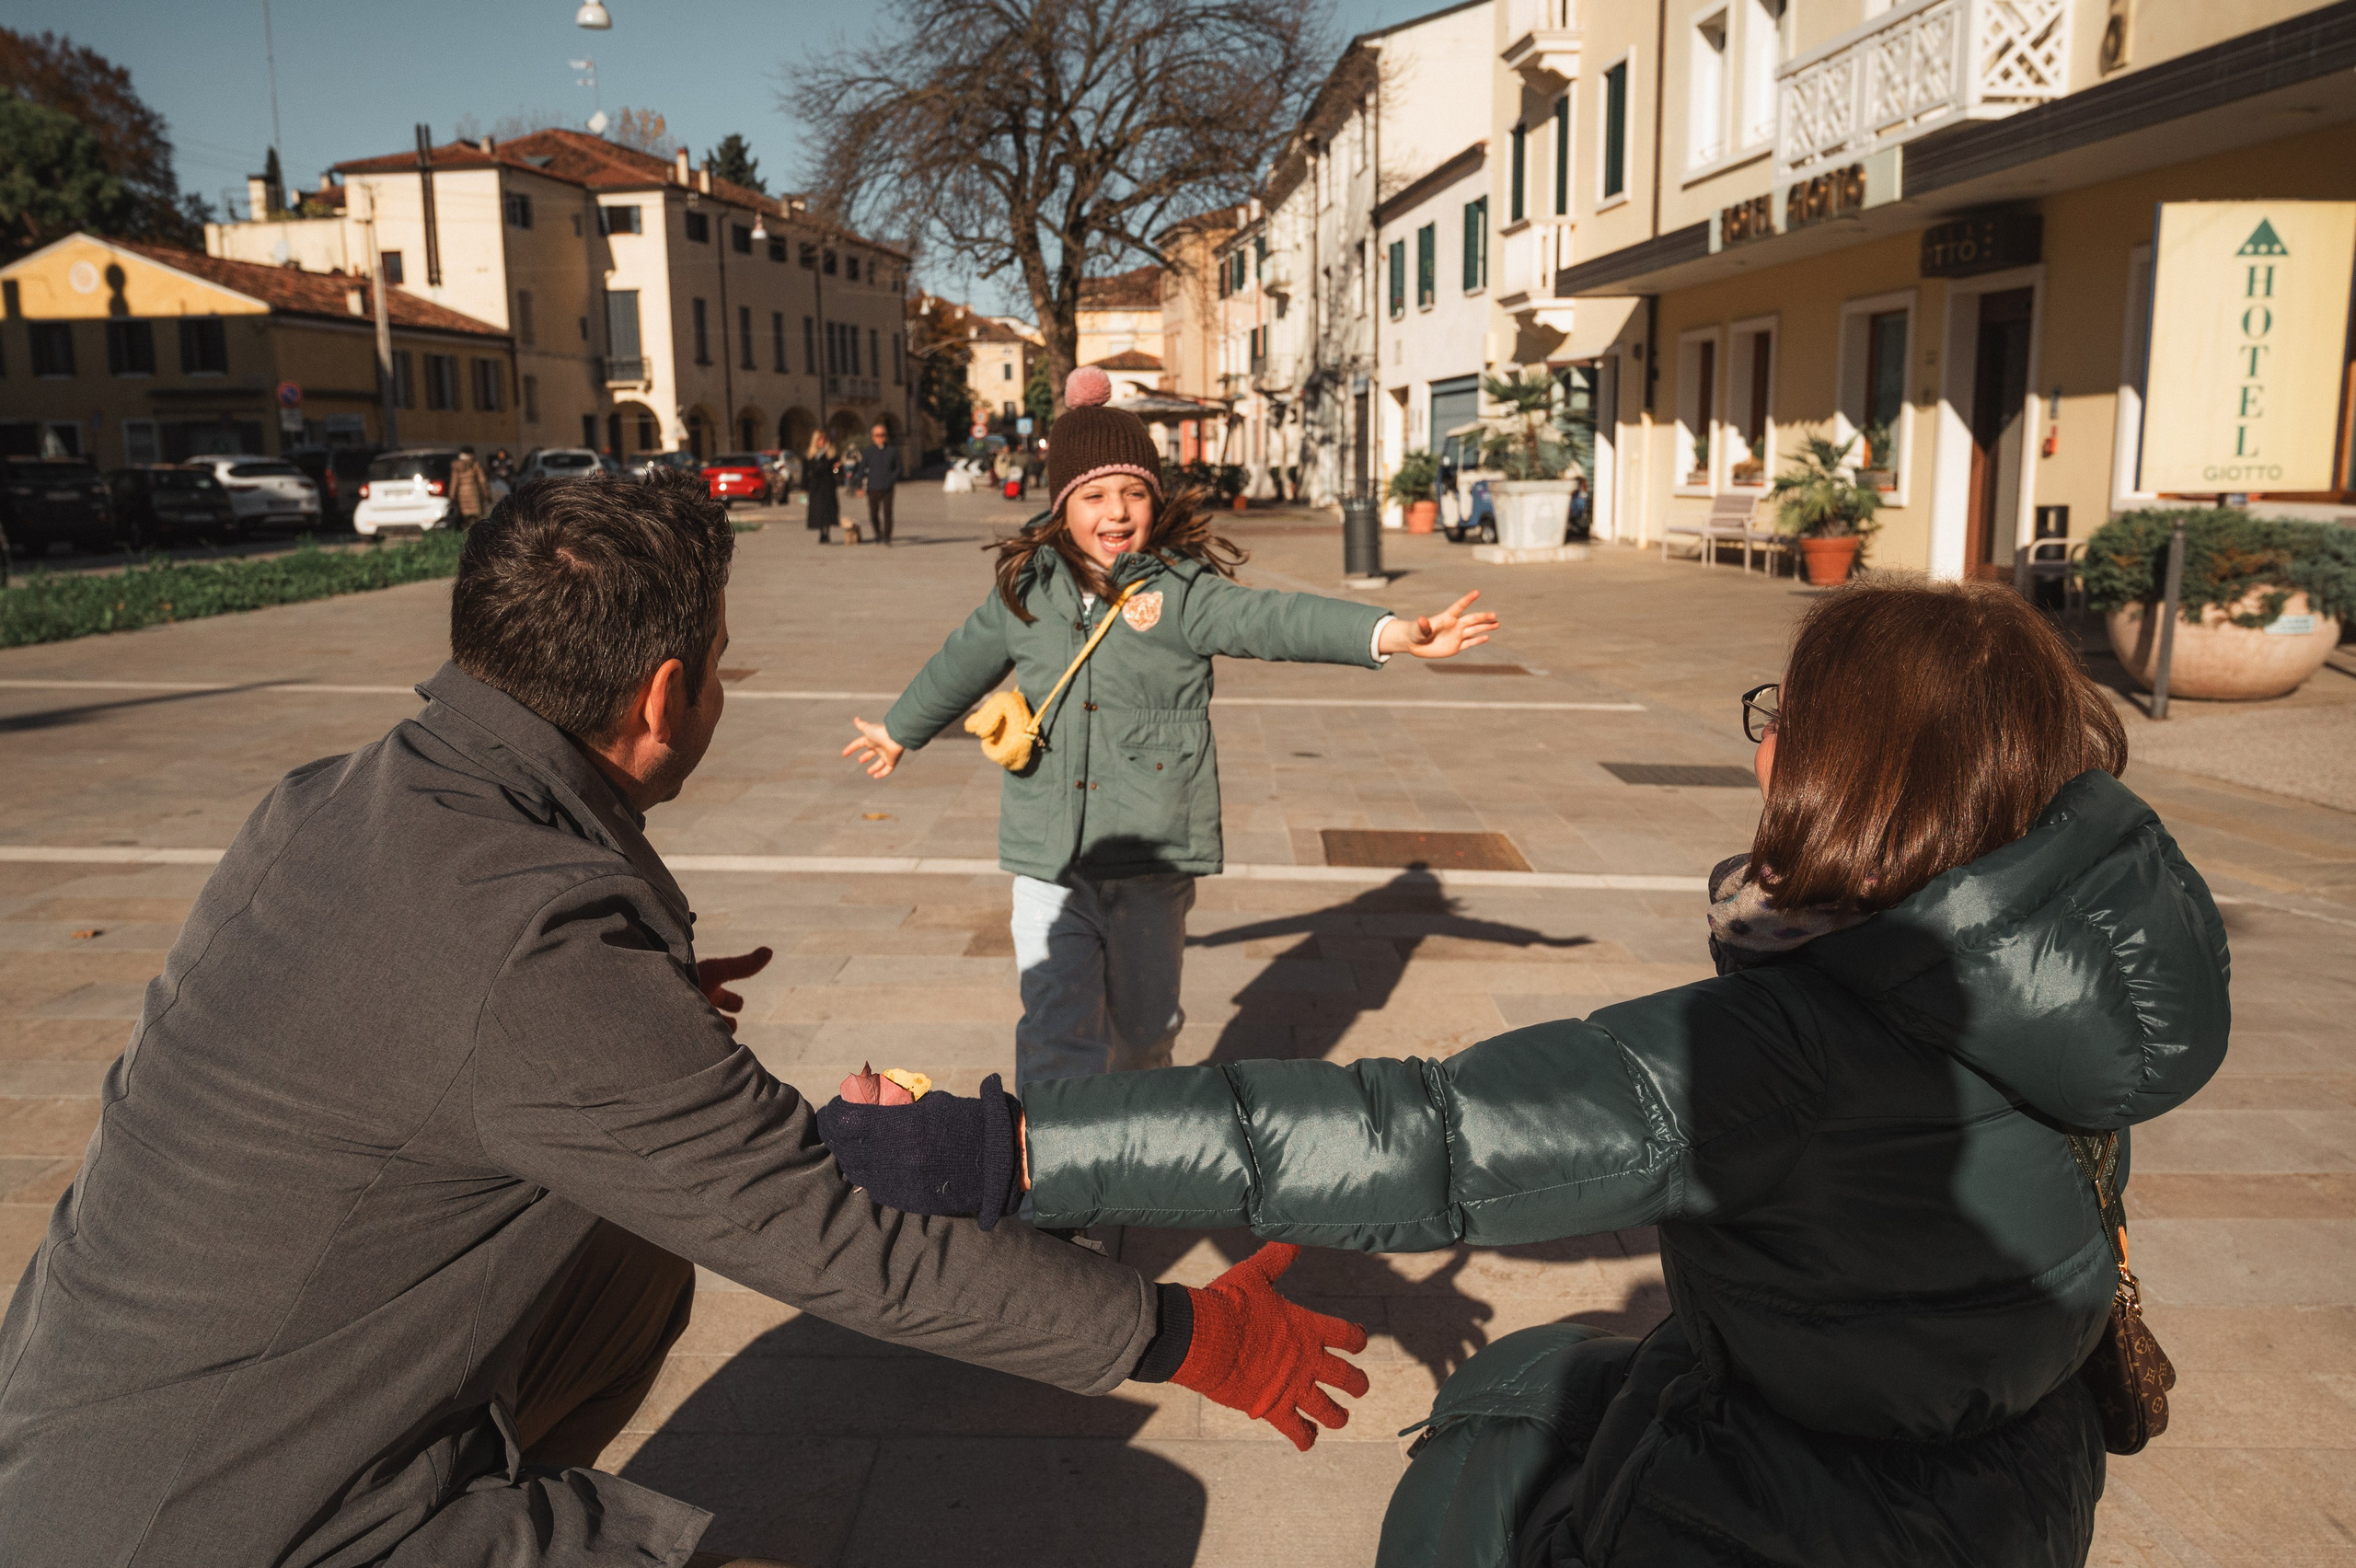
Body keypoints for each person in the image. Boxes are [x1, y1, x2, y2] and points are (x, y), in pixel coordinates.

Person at [0, 470, 1369, 1568]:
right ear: (665, 697)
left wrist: (622, 1030)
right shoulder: (529, 949)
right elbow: (831, 1237)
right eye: (717, 663)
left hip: (82, 1436)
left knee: (633, 1249)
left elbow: (400, 1022)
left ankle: (499, 1467)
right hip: (234, 1523)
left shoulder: (331, 797)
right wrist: (1186, 1335)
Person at [823, 579, 2234, 1568]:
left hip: (1779, 1520)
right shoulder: (2069, 977)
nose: (1761, 745)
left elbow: (1423, 1139)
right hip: (2016, 1486)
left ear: (1844, 770)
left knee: (1481, 1462)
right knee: (1555, 1379)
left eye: (1783, 718)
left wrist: (1010, 1150)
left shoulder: (1782, 1048)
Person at [840, 366, 1501, 1114]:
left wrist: (1393, 634)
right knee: (1053, 1026)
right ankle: (1052, 1161)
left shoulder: (1181, 592)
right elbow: (961, 660)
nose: (1116, 511)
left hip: (1152, 861)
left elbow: (1274, 620)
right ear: (1062, 507)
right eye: (1094, 495)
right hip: (1050, 859)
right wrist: (899, 730)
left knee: (1147, 1032)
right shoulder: (1028, 591)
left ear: (1156, 499)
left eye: (1134, 492)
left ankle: (1142, 1140)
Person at [853, 421, 903, 545]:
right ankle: (877, 533)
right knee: (873, 513)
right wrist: (859, 486)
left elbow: (899, 468)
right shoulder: (868, 452)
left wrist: (892, 478)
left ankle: (887, 536)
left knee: (887, 513)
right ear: (873, 437)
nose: (880, 438)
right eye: (877, 435)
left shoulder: (892, 451)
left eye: (883, 435)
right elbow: (861, 469)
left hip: (888, 487)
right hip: (873, 487)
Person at [803, 430, 841, 545]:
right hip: (816, 486)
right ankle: (821, 531)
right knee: (818, 509)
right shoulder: (810, 455)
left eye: (824, 439)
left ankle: (826, 532)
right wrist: (804, 487)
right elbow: (805, 472)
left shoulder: (831, 454)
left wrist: (837, 468)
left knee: (828, 509)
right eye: (820, 439)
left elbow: (837, 470)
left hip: (828, 485)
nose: (822, 442)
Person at [450, 444, 490, 526]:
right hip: (474, 494)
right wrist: (487, 494)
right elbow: (483, 481)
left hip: (462, 495)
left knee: (466, 517)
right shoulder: (475, 465)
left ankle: (466, 529)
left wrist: (452, 496)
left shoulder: (456, 466)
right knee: (476, 517)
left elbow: (454, 483)